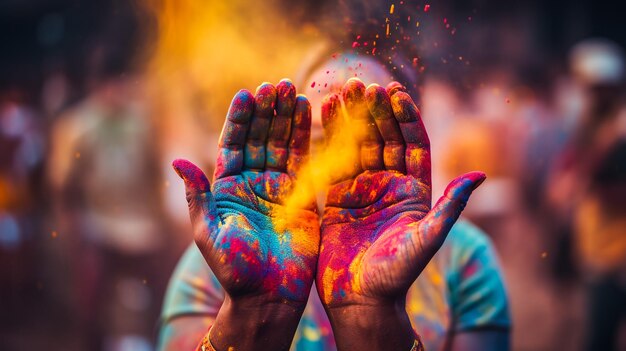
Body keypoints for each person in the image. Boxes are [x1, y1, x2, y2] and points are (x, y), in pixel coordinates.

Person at [159, 77, 510, 351]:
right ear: (281, 142)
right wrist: (257, 307)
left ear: (403, 139)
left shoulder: (464, 258)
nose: (342, 158)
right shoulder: (219, 258)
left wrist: (370, 310)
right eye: (320, 136)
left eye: (366, 130)